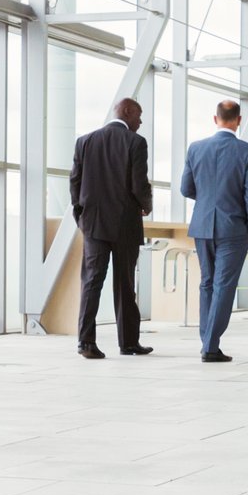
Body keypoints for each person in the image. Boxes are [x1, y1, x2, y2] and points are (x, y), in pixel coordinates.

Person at [69, 97, 153, 360]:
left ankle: (86, 342)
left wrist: (80, 215)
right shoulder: (136, 142)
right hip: (125, 223)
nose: (140, 121)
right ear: (126, 111)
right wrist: (147, 205)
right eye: (138, 115)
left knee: (91, 282)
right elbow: (138, 183)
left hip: (93, 224)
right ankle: (128, 343)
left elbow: (75, 182)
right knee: (125, 283)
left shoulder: (85, 141)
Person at [180, 99, 248, 363]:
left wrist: (208, 201)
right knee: (224, 285)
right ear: (239, 120)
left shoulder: (196, 148)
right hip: (234, 228)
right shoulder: (247, 151)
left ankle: (207, 341)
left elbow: (186, 189)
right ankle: (210, 346)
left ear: (215, 119)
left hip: (202, 226)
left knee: (207, 283)